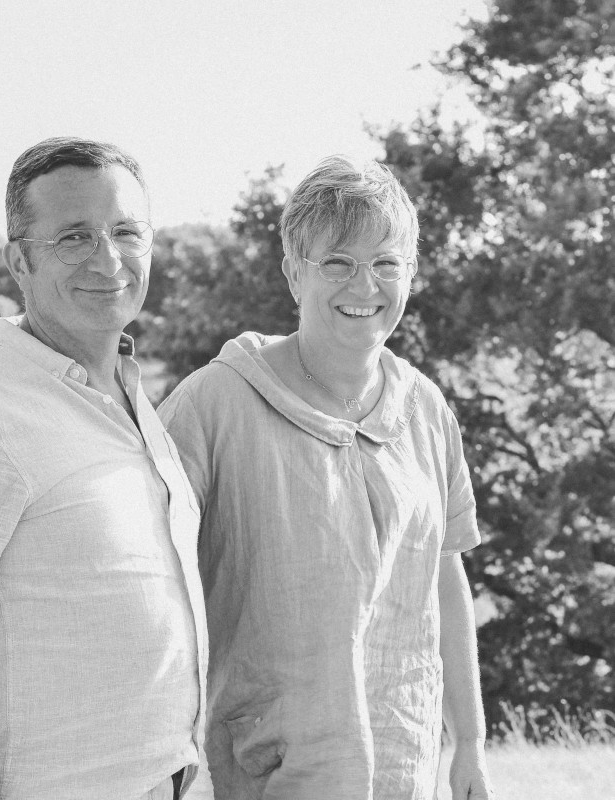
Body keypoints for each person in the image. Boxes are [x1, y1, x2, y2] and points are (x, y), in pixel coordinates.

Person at [158, 156, 494, 800]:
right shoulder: (215, 404)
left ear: (411, 275)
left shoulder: (425, 410)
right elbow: (150, 586)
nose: (363, 284)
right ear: (293, 274)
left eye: (386, 262)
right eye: (337, 262)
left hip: (403, 768)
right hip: (269, 769)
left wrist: (470, 743)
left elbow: (445, 578)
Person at [0, 137, 207, 800]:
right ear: (17, 261)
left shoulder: (136, 402)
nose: (107, 258)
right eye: (74, 237)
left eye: (125, 231)